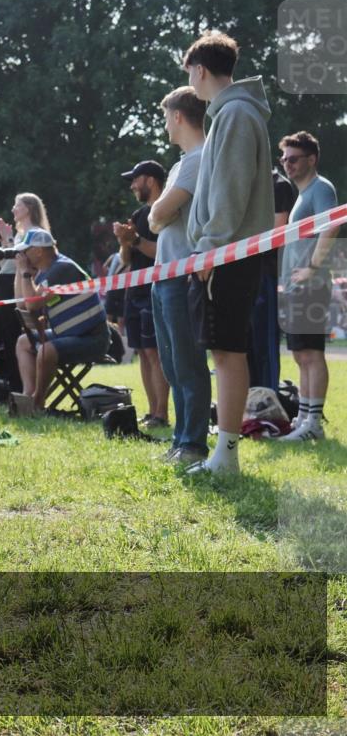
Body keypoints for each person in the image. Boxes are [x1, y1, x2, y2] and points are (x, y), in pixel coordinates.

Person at [182, 31, 275, 476]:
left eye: (190, 75)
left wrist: (208, 250)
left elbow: (229, 193)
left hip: (226, 256)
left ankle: (226, 456)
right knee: (224, 352)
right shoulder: (233, 113)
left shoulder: (236, 114)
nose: (192, 84)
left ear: (200, 70)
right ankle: (225, 454)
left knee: (227, 352)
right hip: (226, 254)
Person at [148, 86, 211, 465]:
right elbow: (155, 219)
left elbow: (159, 212)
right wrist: (160, 212)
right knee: (171, 364)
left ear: (177, 117)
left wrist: (160, 211)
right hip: (163, 273)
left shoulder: (199, 159)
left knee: (187, 361)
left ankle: (193, 444)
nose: (165, 126)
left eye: (165, 118)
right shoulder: (178, 164)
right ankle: (180, 439)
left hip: (182, 275)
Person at [276, 131, 340, 442]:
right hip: (293, 288)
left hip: (312, 286)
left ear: (311, 159)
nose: (287, 164)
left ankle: (313, 423)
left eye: (293, 158)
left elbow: (333, 224)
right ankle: (302, 418)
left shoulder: (321, 188)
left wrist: (313, 267)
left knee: (312, 353)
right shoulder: (301, 194)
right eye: (284, 159)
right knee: (301, 355)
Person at [13, 229, 109, 410]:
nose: (23, 255)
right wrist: (21, 272)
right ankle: (27, 395)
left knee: (46, 351)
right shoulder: (45, 273)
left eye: (26, 251)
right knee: (23, 342)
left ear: (39, 251)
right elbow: (22, 303)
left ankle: (37, 402)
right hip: (68, 334)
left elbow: (32, 305)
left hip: (93, 338)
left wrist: (25, 272)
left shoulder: (62, 269)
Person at [114, 160, 170, 428]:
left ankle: (162, 413)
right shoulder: (137, 216)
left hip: (155, 291)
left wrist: (135, 240)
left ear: (150, 180)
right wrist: (125, 241)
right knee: (143, 353)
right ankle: (151, 411)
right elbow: (126, 258)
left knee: (155, 352)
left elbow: (162, 251)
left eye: (135, 180)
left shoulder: (166, 212)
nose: (133, 186)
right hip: (134, 292)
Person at [0, 193, 51, 395]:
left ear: (28, 208)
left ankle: (21, 388)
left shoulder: (35, 233)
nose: (13, 209)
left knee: (15, 334)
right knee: (6, 337)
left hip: (22, 287)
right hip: (10, 283)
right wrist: (6, 242)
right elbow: (6, 263)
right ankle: (10, 384)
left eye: (17, 205)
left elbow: (28, 265)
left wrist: (9, 241)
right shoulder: (20, 234)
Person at [247, 169, 296, 391]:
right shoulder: (247, 182)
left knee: (264, 344)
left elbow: (277, 232)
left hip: (265, 273)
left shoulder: (279, 185)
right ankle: (249, 403)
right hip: (243, 273)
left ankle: (268, 401)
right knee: (245, 345)